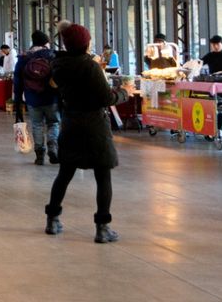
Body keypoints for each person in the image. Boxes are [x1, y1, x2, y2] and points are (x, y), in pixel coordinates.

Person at [44, 24, 137, 243]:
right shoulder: (90, 67)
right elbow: (106, 98)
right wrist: (125, 92)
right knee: (103, 175)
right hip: (94, 125)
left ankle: (52, 219)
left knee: (64, 174)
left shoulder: (59, 64)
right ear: (85, 43)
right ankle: (102, 228)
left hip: (70, 122)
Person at [14, 29, 60, 166]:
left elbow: (17, 82)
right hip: (51, 97)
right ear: (46, 42)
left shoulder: (24, 58)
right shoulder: (53, 56)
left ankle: (39, 154)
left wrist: (18, 102)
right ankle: (53, 147)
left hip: (32, 98)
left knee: (37, 124)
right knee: (53, 123)